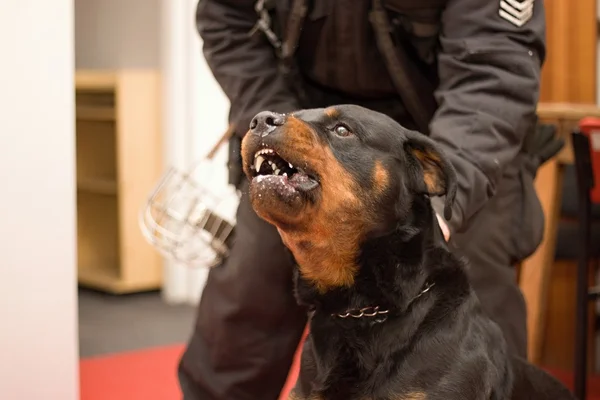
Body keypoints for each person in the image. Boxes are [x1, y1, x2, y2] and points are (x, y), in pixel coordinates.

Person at [178, 0, 560, 399]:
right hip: (312, 119)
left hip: (458, 137)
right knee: (245, 301)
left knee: (477, 295)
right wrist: (295, 137)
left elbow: (494, 69)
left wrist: (448, 193)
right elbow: (226, 18)